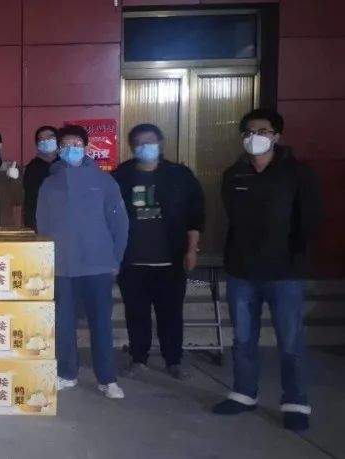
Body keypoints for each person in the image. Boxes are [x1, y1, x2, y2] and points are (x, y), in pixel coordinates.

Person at [212, 109, 323, 432]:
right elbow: (232, 217)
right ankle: (244, 393)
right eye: (248, 131)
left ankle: (295, 402)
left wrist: (292, 251)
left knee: (290, 342)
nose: (254, 137)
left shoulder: (297, 174)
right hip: (242, 271)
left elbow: (310, 217)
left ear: (276, 136)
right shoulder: (235, 175)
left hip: (284, 273)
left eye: (262, 131)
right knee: (243, 339)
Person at [36, 124, 129, 399]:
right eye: (65, 145)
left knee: (101, 325)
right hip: (62, 266)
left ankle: (107, 379)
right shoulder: (50, 184)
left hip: (97, 264)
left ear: (87, 148)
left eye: (76, 145)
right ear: (59, 149)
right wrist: (46, 260)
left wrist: (116, 257)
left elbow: (120, 223)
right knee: (63, 324)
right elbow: (42, 225)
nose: (71, 150)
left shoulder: (104, 181)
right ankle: (67, 373)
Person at [112, 124, 205, 380]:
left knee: (171, 314)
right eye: (139, 143)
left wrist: (192, 249)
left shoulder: (179, 175)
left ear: (161, 143)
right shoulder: (121, 176)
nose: (145, 147)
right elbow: (109, 217)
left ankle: (173, 360)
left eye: (150, 141)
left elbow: (195, 215)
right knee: (136, 313)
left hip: (170, 259)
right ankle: (138, 358)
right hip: (132, 260)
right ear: (132, 147)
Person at [24, 126, 59, 231]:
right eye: (42, 139)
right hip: (39, 224)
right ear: (38, 145)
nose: (46, 141)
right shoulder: (32, 168)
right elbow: (30, 200)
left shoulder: (66, 164)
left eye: (50, 137)